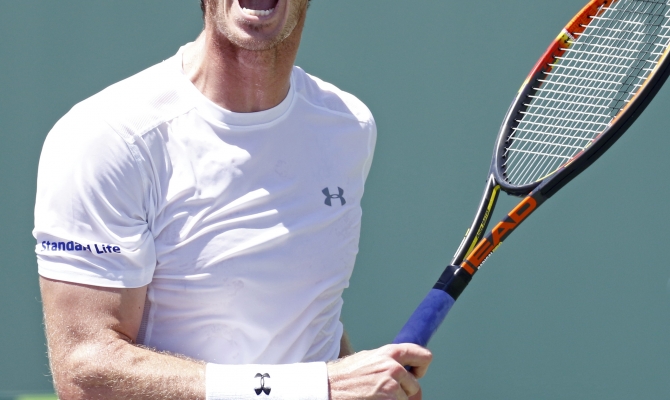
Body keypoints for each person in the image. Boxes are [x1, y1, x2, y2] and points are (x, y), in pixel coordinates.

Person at [34, 0, 433, 398]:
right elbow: (85, 374)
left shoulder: (349, 126)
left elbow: (310, 322)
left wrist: (356, 381)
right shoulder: (106, 139)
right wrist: (319, 387)